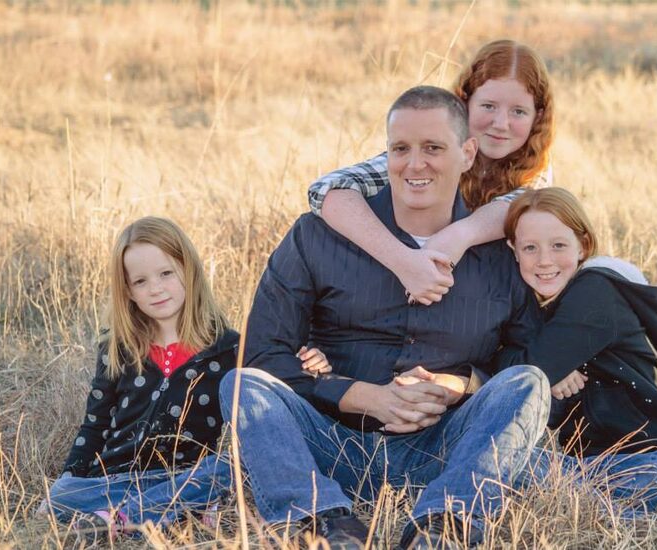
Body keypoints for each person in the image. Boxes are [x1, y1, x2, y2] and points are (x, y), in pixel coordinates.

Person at [219, 86, 550, 549]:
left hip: (442, 447)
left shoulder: (498, 254)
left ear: (467, 153)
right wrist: (362, 396)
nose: (415, 165)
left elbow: (521, 355)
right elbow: (262, 354)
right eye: (401, 149)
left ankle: (445, 524)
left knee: (528, 382)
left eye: (433, 148)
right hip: (329, 443)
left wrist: (461, 384)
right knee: (240, 386)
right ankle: (324, 523)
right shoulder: (317, 237)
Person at [37, 217, 331, 541]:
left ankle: (128, 516)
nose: (156, 289)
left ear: (188, 272)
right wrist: (66, 481)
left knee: (231, 468)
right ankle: (173, 513)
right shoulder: (117, 348)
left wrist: (308, 364)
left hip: (185, 475)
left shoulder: (229, 348)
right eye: (140, 281)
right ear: (128, 292)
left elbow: (271, 397)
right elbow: (94, 425)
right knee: (63, 494)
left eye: (166, 273)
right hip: (116, 478)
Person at [500, 188, 657, 518]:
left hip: (651, 458)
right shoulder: (539, 310)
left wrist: (541, 367)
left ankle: (576, 506)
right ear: (514, 251)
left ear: (583, 244)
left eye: (559, 245)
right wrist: (549, 374)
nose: (545, 260)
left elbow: (528, 370)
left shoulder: (596, 291)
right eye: (530, 248)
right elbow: (528, 373)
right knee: (497, 456)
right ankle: (602, 509)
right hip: (584, 463)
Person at [307, 39, 554, 305]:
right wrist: (402, 261)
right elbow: (328, 188)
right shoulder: (427, 154)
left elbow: (523, 205)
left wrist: (459, 235)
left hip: (485, 305)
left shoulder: (537, 169)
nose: (500, 123)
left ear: (537, 117)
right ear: (465, 102)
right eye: (488, 106)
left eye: (518, 111)